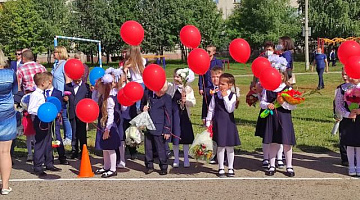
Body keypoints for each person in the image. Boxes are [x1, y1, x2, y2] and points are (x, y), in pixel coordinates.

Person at [258, 70, 296, 177]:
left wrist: (282, 103)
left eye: (281, 75)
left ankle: (289, 166)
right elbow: (262, 102)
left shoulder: (288, 89)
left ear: (284, 76)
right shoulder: (268, 88)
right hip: (272, 118)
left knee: (287, 142)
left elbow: (293, 106)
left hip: (284, 117)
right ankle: (272, 165)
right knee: (273, 141)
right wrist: (267, 105)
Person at [206, 73, 240, 178]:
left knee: (230, 147)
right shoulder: (215, 95)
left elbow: (230, 109)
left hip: (229, 123)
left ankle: (230, 167)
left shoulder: (232, 96)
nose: (220, 86)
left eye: (223, 84)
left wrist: (225, 97)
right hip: (218, 123)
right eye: (220, 84)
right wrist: (208, 122)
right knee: (220, 146)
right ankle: (220, 167)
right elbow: (211, 109)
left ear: (229, 85)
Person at [28, 72, 62, 177]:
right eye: (48, 81)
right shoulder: (35, 95)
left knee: (48, 142)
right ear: (43, 83)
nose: (50, 83)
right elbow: (31, 109)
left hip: (46, 121)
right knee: (40, 143)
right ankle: (38, 167)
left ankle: (49, 163)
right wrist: (41, 111)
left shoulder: (42, 94)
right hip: (39, 121)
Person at [167, 68, 196, 168]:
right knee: (175, 138)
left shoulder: (188, 89)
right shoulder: (171, 87)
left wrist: (186, 100)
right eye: (174, 76)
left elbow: (193, 102)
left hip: (183, 115)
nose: (176, 78)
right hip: (174, 115)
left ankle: (186, 158)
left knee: (185, 138)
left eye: (178, 76)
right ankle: (176, 158)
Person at [93, 74, 121, 178]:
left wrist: (107, 129)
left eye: (99, 87)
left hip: (108, 127)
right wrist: (95, 90)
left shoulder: (109, 100)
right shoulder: (101, 98)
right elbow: (94, 99)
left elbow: (111, 116)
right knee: (104, 147)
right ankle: (106, 166)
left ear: (104, 88)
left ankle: (113, 169)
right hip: (102, 124)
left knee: (110, 148)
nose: (97, 89)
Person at [141, 83, 172, 175]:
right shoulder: (148, 94)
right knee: (148, 148)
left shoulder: (167, 98)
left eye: (163, 92)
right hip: (148, 125)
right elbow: (141, 105)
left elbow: (168, 115)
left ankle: (163, 166)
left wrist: (167, 129)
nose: (161, 94)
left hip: (159, 126)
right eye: (160, 92)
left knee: (161, 148)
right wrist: (143, 108)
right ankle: (149, 165)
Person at [0, 49, 18, 195]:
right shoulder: (10, 73)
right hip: (7, 113)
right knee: (5, 152)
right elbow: (15, 91)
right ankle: (5, 186)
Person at [336, 76, 360, 176]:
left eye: (352, 76)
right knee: (350, 143)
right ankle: (351, 166)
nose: (349, 78)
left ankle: (358, 166)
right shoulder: (343, 88)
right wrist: (347, 114)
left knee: (359, 144)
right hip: (348, 120)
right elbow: (339, 104)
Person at [43, 72, 69, 165]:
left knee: (57, 137)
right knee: (46, 138)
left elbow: (61, 105)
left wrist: (59, 112)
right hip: (45, 119)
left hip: (55, 120)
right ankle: (48, 158)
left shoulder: (57, 92)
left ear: (49, 82)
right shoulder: (42, 93)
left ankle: (62, 157)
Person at [64, 75, 91, 159]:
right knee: (74, 132)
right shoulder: (67, 86)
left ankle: (83, 151)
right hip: (72, 112)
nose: (77, 81)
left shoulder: (85, 87)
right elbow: (64, 98)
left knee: (82, 133)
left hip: (82, 113)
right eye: (75, 79)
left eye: (79, 79)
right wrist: (65, 99)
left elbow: (89, 99)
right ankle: (74, 150)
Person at [52, 46, 72, 145]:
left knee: (64, 115)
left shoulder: (64, 64)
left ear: (60, 53)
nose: (53, 54)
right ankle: (58, 135)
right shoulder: (55, 64)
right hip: (55, 93)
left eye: (55, 52)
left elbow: (68, 80)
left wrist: (66, 93)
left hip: (62, 93)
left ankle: (68, 136)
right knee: (58, 116)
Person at [199, 45, 223, 126]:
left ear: (214, 52)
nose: (206, 53)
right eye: (206, 51)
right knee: (206, 102)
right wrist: (201, 87)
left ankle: (214, 119)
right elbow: (200, 75)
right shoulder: (203, 61)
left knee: (215, 102)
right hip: (207, 85)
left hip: (215, 85)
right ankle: (205, 119)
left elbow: (221, 74)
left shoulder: (218, 62)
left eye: (209, 51)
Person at [334, 68, 350, 166]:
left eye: (346, 74)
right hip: (345, 116)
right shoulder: (340, 88)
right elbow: (337, 104)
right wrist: (338, 114)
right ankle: (345, 158)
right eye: (343, 74)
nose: (344, 77)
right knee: (343, 136)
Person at [123, 46, 146, 113]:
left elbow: (125, 71)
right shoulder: (142, 60)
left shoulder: (130, 62)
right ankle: (138, 112)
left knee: (134, 101)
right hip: (141, 82)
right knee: (139, 101)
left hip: (134, 83)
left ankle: (136, 112)